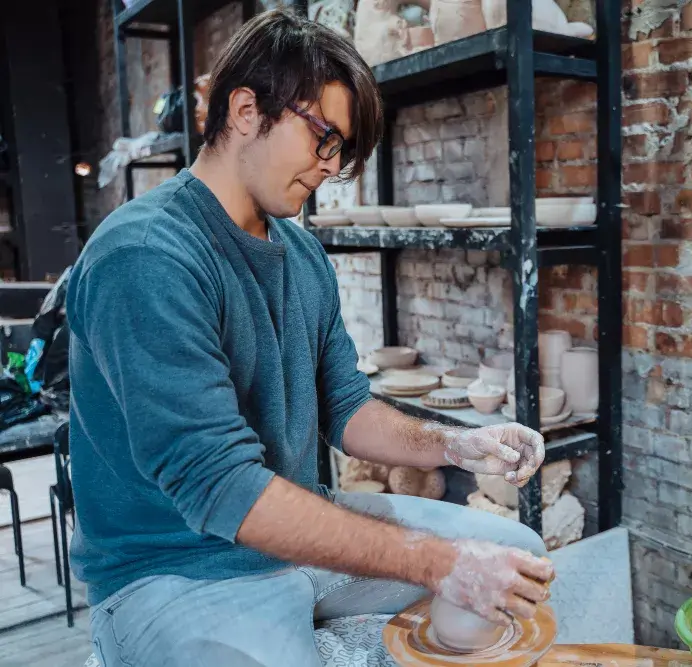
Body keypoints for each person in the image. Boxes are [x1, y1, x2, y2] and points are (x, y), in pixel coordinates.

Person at [66, 10, 553, 667]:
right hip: (173, 569)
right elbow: (221, 487)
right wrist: (438, 562)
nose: (330, 167)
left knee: (520, 559)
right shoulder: (147, 255)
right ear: (245, 110)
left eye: (340, 152)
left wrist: (454, 443)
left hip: (291, 536)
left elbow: (345, 407)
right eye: (324, 139)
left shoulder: (301, 255)